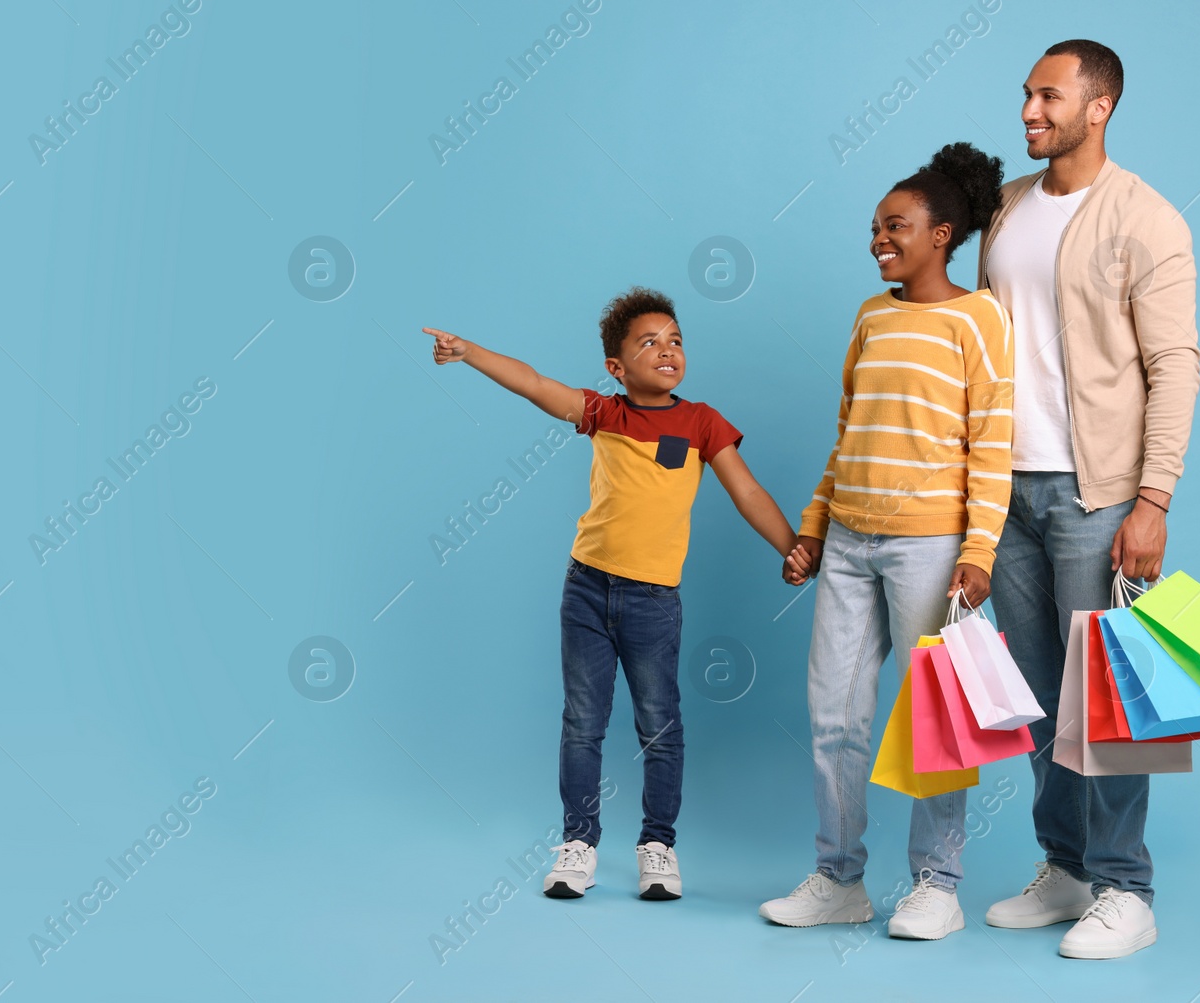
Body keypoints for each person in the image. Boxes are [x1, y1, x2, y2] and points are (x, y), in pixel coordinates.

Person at [422, 288, 798, 901]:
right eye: (648, 342)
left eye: (675, 339)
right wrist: (468, 352)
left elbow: (748, 493)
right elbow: (533, 382)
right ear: (617, 369)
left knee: (659, 725)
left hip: (654, 601)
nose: (667, 350)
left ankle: (658, 846)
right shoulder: (603, 413)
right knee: (582, 723)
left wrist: (791, 547)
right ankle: (578, 843)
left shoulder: (703, 423)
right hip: (587, 591)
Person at [979, 39, 1200, 960]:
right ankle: (1066, 866)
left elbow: (1174, 362)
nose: (1030, 111)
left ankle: (1127, 888)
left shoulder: (1147, 218)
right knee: (1035, 698)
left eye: (1047, 96)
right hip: (1003, 490)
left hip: (1097, 492)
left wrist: (1152, 496)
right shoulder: (1005, 208)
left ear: (1097, 106)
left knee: (1110, 697)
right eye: (1026, 95)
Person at [759, 143, 1011, 941]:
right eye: (873, 227)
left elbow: (992, 440)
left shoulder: (979, 316)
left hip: (932, 550)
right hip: (847, 544)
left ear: (942, 233)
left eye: (895, 226)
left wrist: (981, 548)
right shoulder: (871, 316)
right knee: (834, 714)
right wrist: (812, 523)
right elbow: (848, 436)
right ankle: (840, 877)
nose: (878, 239)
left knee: (936, 716)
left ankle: (938, 882)